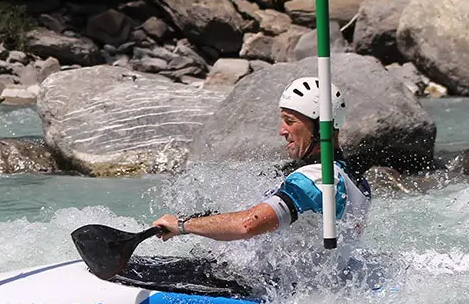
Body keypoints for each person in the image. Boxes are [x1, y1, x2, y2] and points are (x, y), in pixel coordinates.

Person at [151, 76, 371, 247]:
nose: (281, 131)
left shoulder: (314, 181)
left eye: (290, 121)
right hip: (311, 286)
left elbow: (248, 225)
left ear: (320, 127)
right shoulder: (356, 180)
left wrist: (182, 226)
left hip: (274, 290)